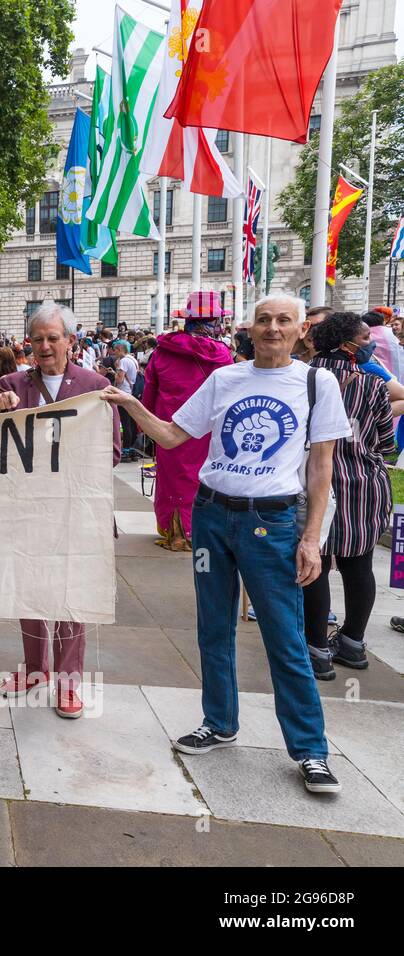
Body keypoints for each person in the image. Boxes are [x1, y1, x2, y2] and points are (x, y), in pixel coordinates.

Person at [103, 294, 350, 794]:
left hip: (273, 521)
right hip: (212, 514)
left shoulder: (316, 382)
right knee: (213, 628)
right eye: (264, 320)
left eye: (283, 321)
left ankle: (310, 750)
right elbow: (173, 436)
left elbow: (322, 467)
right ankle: (219, 722)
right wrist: (131, 404)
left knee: (284, 636)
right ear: (249, 328)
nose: (273, 329)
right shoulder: (225, 378)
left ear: (301, 330)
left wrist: (312, 539)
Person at [0, 301, 120, 717]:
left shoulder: (95, 386)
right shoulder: (10, 383)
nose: (45, 346)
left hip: (75, 510)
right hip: (25, 510)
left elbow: (113, 451)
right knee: (29, 592)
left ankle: (67, 681)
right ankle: (34, 670)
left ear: (71, 341)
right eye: (38, 339)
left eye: (53, 338)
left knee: (69, 595)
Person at [301, 312, 393, 679]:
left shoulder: (299, 377)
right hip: (364, 486)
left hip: (312, 484)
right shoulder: (372, 386)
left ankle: (316, 650)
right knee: (359, 566)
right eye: (366, 337)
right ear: (347, 345)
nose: (372, 343)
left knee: (314, 566)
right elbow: (386, 443)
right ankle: (353, 643)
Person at [141, 292, 235, 551]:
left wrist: (146, 424)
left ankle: (175, 532)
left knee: (171, 478)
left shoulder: (162, 352)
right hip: (208, 429)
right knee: (202, 477)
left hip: (169, 426)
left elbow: (149, 391)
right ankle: (199, 531)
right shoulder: (223, 355)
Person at [110, 339, 140, 457]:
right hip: (131, 392)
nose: (114, 352)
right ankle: (131, 447)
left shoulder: (123, 361)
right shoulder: (132, 359)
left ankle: (126, 448)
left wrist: (117, 369)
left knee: (125, 422)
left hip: (123, 393)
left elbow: (119, 380)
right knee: (131, 422)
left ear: (121, 349)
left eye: (116, 350)